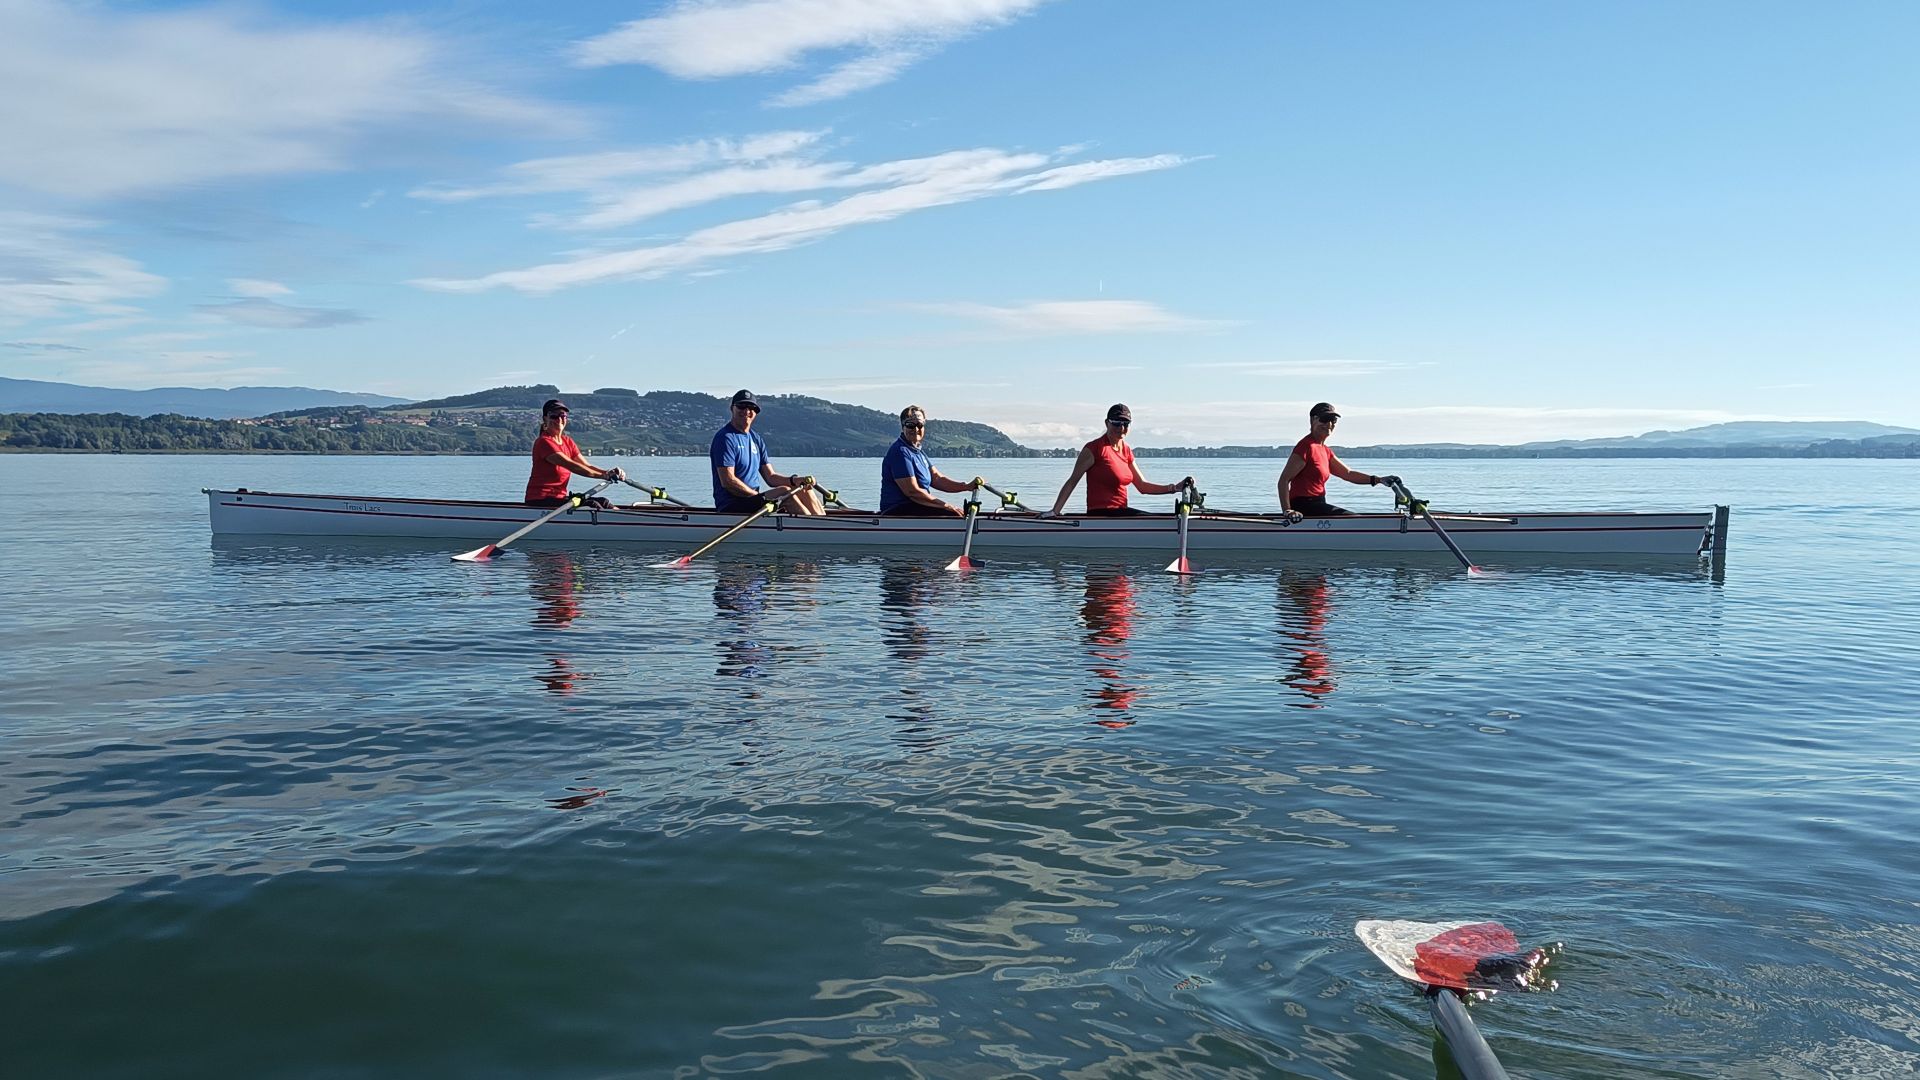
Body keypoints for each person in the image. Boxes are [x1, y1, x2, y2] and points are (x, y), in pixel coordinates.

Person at [1047, 403, 1193, 516]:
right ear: (1107, 423)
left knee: (1159, 518)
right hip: (1101, 514)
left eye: (1125, 424)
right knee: (1155, 520)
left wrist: (1174, 488)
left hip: (1121, 513)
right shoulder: (1094, 449)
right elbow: (1072, 481)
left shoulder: (1126, 450)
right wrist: (1055, 511)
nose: (1121, 428)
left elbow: (1142, 486)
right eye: (1116, 423)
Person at [709, 389, 825, 516]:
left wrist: (794, 480)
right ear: (732, 409)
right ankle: (811, 526)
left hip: (753, 500)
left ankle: (823, 523)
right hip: (732, 505)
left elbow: (770, 477)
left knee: (804, 488)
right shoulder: (725, 438)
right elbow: (728, 481)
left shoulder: (755, 439)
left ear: (756, 413)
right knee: (784, 492)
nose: (747, 411)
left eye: (751, 408)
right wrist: (757, 496)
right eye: (741, 406)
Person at [1276, 402, 1399, 520]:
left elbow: (1348, 474)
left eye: (1333, 420)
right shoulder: (1305, 446)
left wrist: (1379, 480)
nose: (1329, 424)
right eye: (1325, 419)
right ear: (1313, 420)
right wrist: (1288, 511)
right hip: (1303, 507)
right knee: (1356, 520)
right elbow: (1284, 480)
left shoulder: (1325, 450)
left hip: (1319, 504)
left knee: (1357, 519)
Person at [525, 398, 622, 508]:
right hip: (539, 500)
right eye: (554, 416)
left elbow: (586, 466)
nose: (559, 419)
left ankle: (624, 518)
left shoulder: (568, 442)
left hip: (559, 499)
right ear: (545, 419)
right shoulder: (544, 442)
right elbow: (572, 466)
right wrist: (604, 476)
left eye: (562, 415)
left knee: (604, 502)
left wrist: (609, 472)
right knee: (592, 506)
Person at [880, 405, 975, 516]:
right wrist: (946, 506)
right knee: (953, 514)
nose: (916, 429)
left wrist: (966, 486)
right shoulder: (900, 452)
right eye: (910, 425)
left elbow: (937, 478)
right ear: (903, 427)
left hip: (916, 507)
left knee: (959, 512)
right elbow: (912, 492)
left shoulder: (918, 452)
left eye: (919, 425)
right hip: (897, 510)